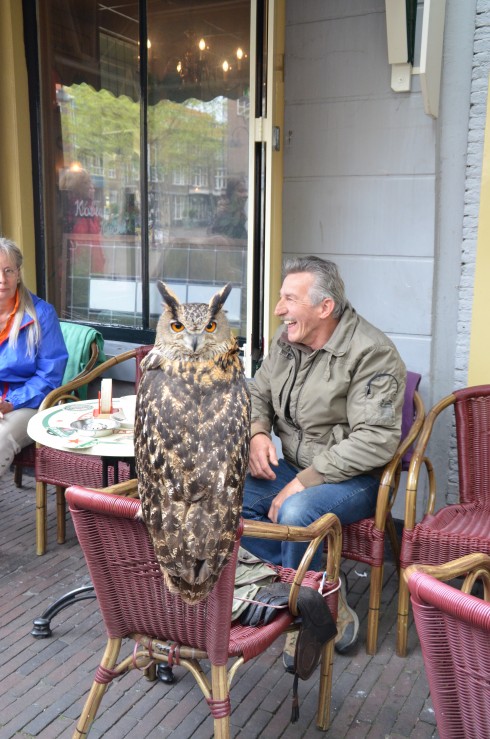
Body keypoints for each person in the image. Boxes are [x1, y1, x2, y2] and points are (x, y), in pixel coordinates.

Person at [241, 256, 406, 663]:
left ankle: (305, 615)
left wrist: (307, 479)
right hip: (296, 467)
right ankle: (319, 587)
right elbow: (256, 392)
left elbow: (376, 440)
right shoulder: (287, 341)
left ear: (324, 307)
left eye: (289, 299)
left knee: (297, 513)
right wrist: (258, 432)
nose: (279, 309)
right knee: (221, 495)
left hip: (356, 479)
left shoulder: (373, 353)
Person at [0, 237, 68, 477]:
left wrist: (10, 402)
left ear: (18, 274)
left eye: (8, 270)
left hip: (28, 405)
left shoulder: (41, 314)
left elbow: (50, 376)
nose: (2, 279)